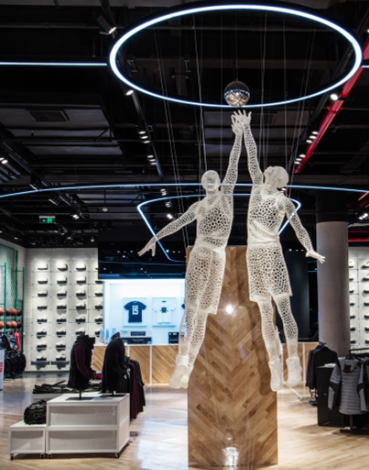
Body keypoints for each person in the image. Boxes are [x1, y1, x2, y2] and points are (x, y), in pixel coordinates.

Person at [138, 110, 249, 388]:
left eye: (214, 177)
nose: (211, 179)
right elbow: (178, 223)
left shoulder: (226, 197)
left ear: (219, 182)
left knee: (201, 315)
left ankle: (188, 362)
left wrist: (239, 136)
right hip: (199, 253)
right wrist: (155, 237)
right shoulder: (198, 206)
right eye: (206, 178)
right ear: (202, 184)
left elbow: (233, 166)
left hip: (217, 256)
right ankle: (182, 359)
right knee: (191, 309)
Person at [240, 117, 324, 389]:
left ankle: (294, 363)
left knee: (285, 310)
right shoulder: (256, 188)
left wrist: (309, 248)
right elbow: (252, 157)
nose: (271, 175)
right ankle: (274, 367)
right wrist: (246, 130)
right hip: (254, 255)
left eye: (277, 176)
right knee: (266, 314)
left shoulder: (283, 201)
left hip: (272, 253)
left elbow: (298, 227)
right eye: (275, 174)